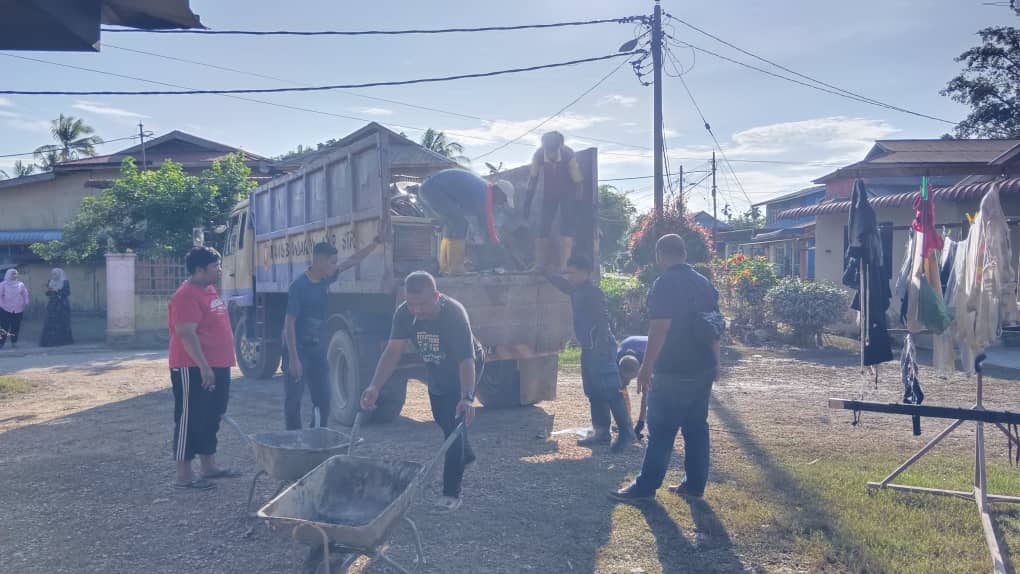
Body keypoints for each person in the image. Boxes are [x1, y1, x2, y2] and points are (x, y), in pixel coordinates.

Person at [610, 235, 722, 502]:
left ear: (660, 254)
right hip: (703, 366)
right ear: (684, 252)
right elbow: (715, 327)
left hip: (673, 368)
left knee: (661, 429)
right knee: (696, 427)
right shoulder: (704, 283)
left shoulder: (665, 283)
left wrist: (646, 368)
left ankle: (646, 487)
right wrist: (716, 363)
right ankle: (694, 485)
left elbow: (659, 329)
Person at [361, 271, 482, 511]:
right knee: (442, 418)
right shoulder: (404, 313)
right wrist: (375, 386)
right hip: (437, 367)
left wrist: (467, 397)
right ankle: (466, 455)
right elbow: (392, 352)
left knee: (454, 424)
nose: (416, 310)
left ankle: (451, 492)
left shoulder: (454, 314)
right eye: (412, 304)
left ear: (436, 296)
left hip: (465, 365)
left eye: (423, 304)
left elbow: (466, 361)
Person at [283, 238, 381, 429]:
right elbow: (289, 323)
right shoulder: (299, 286)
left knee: (323, 398)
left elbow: (352, 261)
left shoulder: (325, 277)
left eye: (335, 262)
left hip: (317, 348)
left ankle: (316, 436)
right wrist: (294, 359)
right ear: (319, 261)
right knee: (293, 399)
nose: (335, 266)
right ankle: (292, 440)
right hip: (298, 349)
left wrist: (375, 242)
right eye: (332, 262)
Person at [544, 254, 636, 452]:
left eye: (573, 273)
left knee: (611, 390)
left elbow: (603, 318)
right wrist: (546, 273)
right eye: (568, 273)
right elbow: (562, 284)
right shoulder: (576, 289)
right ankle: (601, 432)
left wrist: (600, 343)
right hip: (590, 348)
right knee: (594, 392)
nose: (569, 276)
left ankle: (627, 433)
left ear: (586, 273)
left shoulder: (592, 293)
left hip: (600, 347)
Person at [168, 246, 239, 490]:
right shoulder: (185, 295)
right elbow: (186, 334)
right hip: (193, 366)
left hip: (217, 364)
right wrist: (204, 366)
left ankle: (209, 465)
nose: (219, 270)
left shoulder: (208, 289)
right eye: (214, 267)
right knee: (189, 417)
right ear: (199, 270)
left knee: (213, 414)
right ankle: (184, 474)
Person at [417, 168, 514, 276]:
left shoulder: (483, 189)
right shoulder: (485, 194)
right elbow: (486, 224)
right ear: (499, 191)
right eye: (504, 200)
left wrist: (493, 240)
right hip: (433, 190)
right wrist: (497, 246)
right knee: (460, 223)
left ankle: (445, 267)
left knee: (452, 225)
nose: (502, 204)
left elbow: (484, 223)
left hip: (429, 188)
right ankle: (456, 268)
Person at [523, 131, 584, 271]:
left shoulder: (568, 154)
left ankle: (565, 266)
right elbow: (533, 179)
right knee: (543, 227)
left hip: (568, 194)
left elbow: (578, 182)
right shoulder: (538, 155)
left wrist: (578, 203)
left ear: (560, 146)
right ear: (543, 146)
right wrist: (527, 202)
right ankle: (539, 265)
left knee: (567, 228)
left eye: (553, 150)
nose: (550, 154)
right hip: (549, 194)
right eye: (547, 150)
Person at [617, 335, 647, 436]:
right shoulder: (617, 355)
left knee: (651, 392)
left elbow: (646, 395)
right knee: (620, 387)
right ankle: (626, 421)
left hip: (657, 348)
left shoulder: (650, 357)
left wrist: (640, 425)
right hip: (629, 343)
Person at [39, 268, 72, 347]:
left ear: (59, 274)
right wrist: (50, 291)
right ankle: (50, 341)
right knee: (51, 322)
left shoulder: (65, 282)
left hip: (62, 305)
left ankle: (62, 341)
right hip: (53, 305)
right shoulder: (50, 282)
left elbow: (67, 293)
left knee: (62, 321)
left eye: (55, 274)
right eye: (53, 274)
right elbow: (47, 293)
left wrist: (57, 291)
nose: (53, 275)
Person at [0, 269, 29, 349]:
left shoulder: (20, 284)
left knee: (15, 326)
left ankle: (14, 342)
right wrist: (2, 305)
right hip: (5, 309)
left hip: (18, 309)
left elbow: (25, 293)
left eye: (15, 274)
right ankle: (1, 343)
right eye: (12, 274)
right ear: (8, 274)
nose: (14, 275)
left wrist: (25, 302)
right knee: (4, 326)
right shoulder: (3, 284)